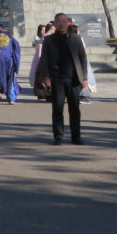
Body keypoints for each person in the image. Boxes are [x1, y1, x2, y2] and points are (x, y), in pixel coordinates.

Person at [39, 12, 88, 145]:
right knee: (57, 109)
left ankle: (76, 137)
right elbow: (44, 60)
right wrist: (46, 76)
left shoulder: (76, 39)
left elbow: (83, 58)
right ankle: (58, 136)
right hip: (57, 79)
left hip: (73, 80)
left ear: (68, 23)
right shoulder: (49, 40)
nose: (61, 23)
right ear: (54, 24)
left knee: (75, 110)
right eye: (58, 21)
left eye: (64, 21)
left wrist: (84, 78)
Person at [0, 23, 21, 104]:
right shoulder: (9, 36)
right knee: (10, 79)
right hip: (9, 61)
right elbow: (16, 49)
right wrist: (16, 63)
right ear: (3, 29)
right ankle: (11, 98)